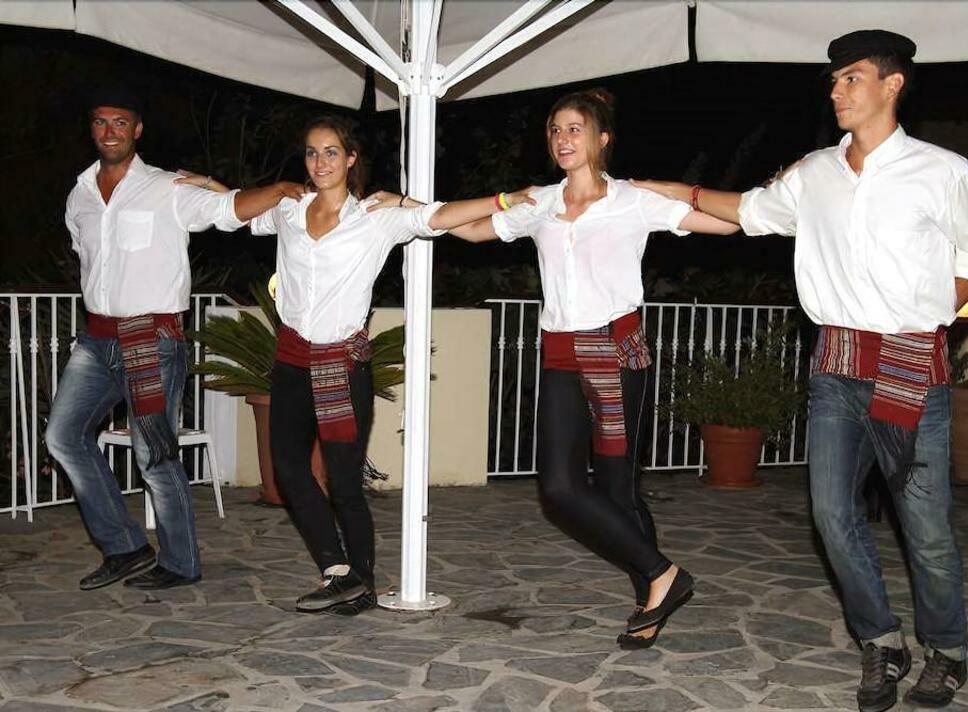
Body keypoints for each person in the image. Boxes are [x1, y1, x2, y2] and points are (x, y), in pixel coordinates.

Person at [634, 30, 968, 710]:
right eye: (833, 80)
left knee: (924, 527)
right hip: (836, 365)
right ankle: (880, 641)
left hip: (909, 365)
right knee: (833, 516)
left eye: (851, 77)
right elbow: (748, 212)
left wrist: (925, 316)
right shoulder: (814, 173)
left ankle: (946, 650)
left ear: (892, 84)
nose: (836, 90)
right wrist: (666, 190)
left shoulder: (943, 172)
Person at [370, 89, 738, 646]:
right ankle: (665, 576)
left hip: (615, 353)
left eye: (574, 129)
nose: (562, 139)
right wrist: (406, 203)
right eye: (555, 130)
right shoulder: (540, 202)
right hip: (560, 355)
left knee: (617, 492)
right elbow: (471, 229)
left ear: (602, 138)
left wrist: (673, 189)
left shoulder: (633, 200)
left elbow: (728, 225)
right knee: (560, 488)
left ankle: (651, 595)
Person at [187, 115, 536, 613]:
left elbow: (440, 216)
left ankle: (362, 580)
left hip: (340, 364)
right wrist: (208, 184)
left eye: (331, 152)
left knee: (344, 480)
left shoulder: (374, 217)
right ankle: (336, 569)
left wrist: (504, 200)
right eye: (312, 152)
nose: (320, 161)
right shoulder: (289, 210)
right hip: (291, 358)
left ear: (351, 159)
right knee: (289, 469)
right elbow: (240, 210)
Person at [47, 87, 305, 591]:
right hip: (97, 341)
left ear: (137, 129)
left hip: (152, 340)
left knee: (155, 454)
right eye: (100, 122)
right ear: (91, 128)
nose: (109, 131)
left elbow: (229, 210)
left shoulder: (167, 188)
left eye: (120, 122)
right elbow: (88, 260)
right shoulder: (80, 194)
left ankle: (180, 561)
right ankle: (125, 547)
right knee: (63, 437)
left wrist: (277, 190)